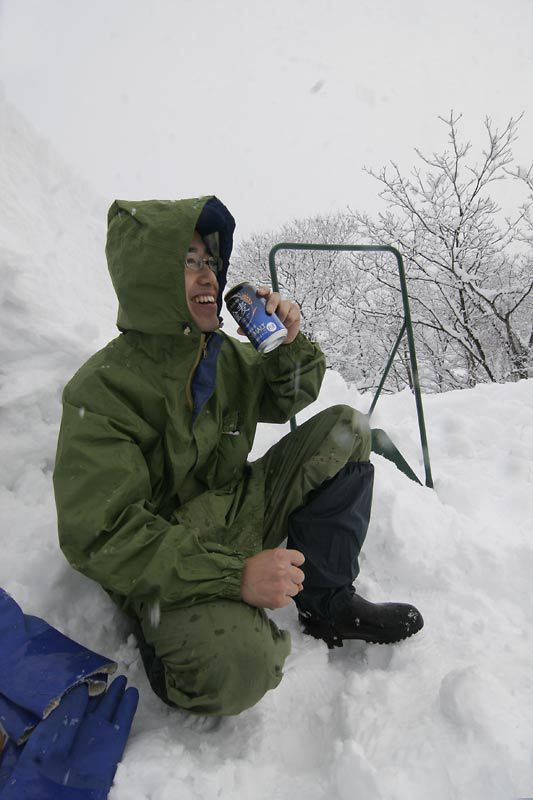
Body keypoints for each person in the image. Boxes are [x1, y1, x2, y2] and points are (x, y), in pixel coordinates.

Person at [53, 196, 423, 720]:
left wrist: (288, 344)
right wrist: (233, 578)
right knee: (243, 665)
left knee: (348, 430)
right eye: (187, 262)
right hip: (168, 563)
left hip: (241, 509)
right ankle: (169, 645)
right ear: (148, 277)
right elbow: (103, 535)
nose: (207, 277)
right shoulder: (103, 390)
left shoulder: (223, 357)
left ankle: (328, 603)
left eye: (210, 262)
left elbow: (291, 393)